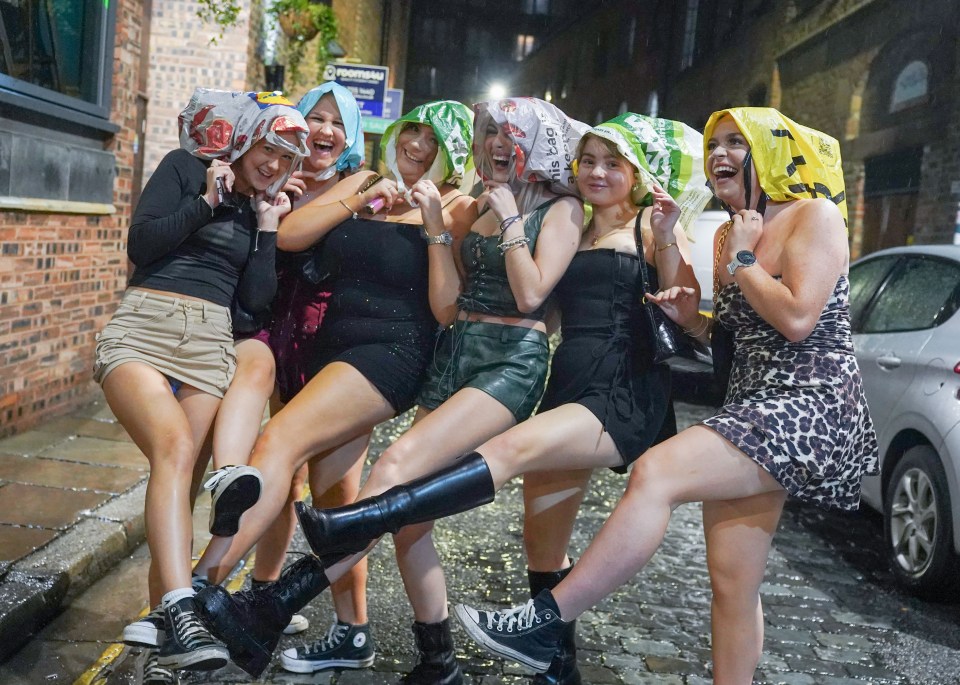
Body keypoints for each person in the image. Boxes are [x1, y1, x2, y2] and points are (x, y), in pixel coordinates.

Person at [452, 107, 880, 685]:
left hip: (807, 405)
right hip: (751, 403)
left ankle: (545, 621)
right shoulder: (733, 229)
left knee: (655, 472)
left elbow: (800, 319)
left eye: (736, 143)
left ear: (773, 152)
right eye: (714, 145)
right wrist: (693, 320)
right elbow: (732, 338)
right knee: (733, 584)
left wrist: (746, 259)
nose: (719, 155)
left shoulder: (815, 216)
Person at [291, 112, 711, 685]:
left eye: (613, 163)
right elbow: (538, 303)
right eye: (587, 160)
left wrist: (666, 240)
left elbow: (681, 304)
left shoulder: (648, 224)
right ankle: (555, 667)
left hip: (620, 388)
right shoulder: (577, 220)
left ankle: (341, 541)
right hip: (568, 382)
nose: (596, 172)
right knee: (543, 546)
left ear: (637, 173)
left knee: (496, 454)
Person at [191, 101, 478, 678]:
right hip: (331, 350)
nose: (417, 145)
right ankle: (351, 632)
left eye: (433, 138)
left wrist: (432, 226)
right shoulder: (368, 181)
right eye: (411, 130)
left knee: (277, 443)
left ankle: (196, 593)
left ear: (456, 150)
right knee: (337, 501)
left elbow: (449, 306)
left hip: (389, 353)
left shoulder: (457, 205)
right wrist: (361, 197)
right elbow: (292, 235)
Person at [95, 89, 308, 677]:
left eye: (287, 158)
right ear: (246, 137)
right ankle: (184, 606)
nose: (274, 163)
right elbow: (142, 244)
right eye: (268, 147)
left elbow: (255, 308)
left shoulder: (258, 207)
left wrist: (267, 230)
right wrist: (207, 201)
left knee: (181, 476)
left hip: (210, 341)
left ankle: (169, 622)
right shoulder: (185, 167)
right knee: (175, 447)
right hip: (144, 326)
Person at [185, 81, 370, 650]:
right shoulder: (273, 177)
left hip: (331, 346)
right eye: (315, 116)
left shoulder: (361, 187)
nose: (324, 130)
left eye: (337, 123)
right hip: (264, 331)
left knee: (335, 492)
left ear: (352, 136)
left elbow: (299, 243)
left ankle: (354, 625)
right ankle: (260, 594)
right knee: (278, 477)